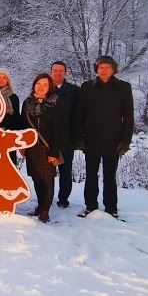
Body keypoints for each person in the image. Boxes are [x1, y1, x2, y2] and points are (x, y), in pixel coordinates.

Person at [78, 55, 134, 219]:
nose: (103, 70)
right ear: (96, 69)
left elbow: (128, 117)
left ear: (113, 69)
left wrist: (125, 141)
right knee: (91, 175)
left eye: (107, 68)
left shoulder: (123, 87)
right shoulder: (87, 87)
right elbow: (79, 114)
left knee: (110, 176)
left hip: (113, 139)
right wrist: (79, 138)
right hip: (91, 138)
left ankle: (111, 208)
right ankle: (90, 206)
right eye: (101, 67)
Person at [20, 73, 67, 223]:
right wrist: (22, 144)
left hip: (47, 147)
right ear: (34, 85)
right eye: (39, 84)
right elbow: (23, 125)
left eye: (45, 84)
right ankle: (40, 206)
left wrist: (54, 151)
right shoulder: (27, 102)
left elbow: (58, 129)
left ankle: (45, 210)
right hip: (31, 146)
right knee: (36, 178)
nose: (41, 87)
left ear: (50, 87)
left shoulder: (55, 103)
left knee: (47, 179)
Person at [50, 61, 81, 208]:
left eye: (60, 70)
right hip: (48, 137)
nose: (58, 73)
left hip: (67, 137)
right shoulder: (45, 88)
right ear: (51, 72)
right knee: (47, 172)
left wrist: (77, 136)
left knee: (65, 170)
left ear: (65, 73)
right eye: (55, 70)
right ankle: (46, 199)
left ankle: (63, 199)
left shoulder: (74, 91)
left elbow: (79, 115)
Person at [0, 69, 21, 165]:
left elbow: (16, 119)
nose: (1, 79)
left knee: (9, 166)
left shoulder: (13, 97)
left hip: (8, 138)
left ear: (8, 80)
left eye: (4, 77)